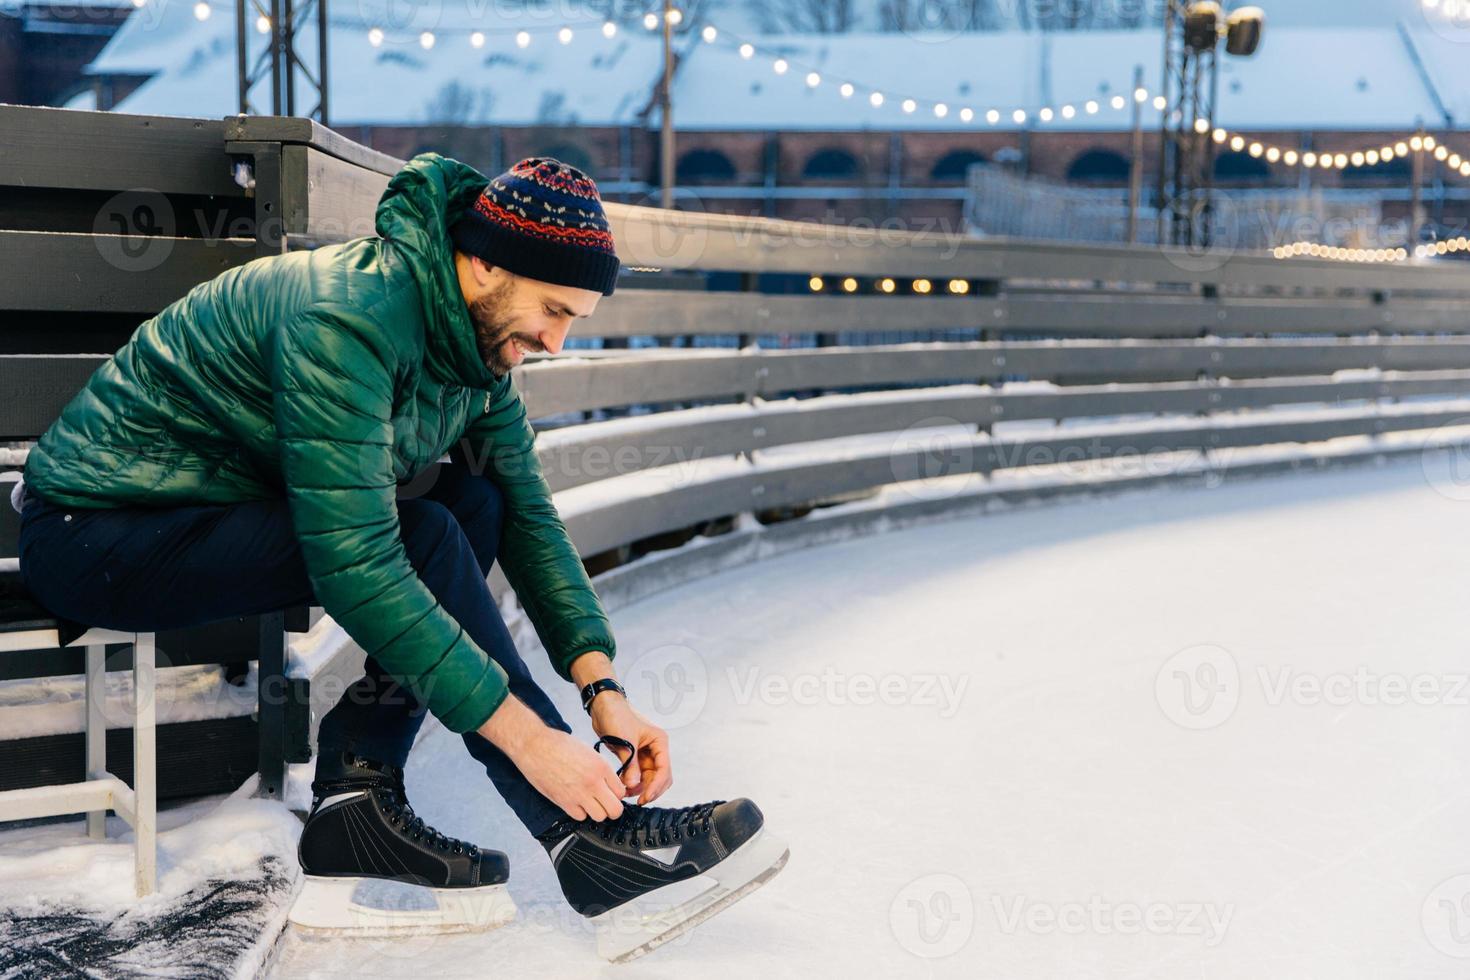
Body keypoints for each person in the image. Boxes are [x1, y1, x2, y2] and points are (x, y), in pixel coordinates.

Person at [13, 153, 787, 961]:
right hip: (97, 533)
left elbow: (525, 511)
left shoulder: (473, 343)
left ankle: (358, 796)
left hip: (209, 512)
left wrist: (603, 688)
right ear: (485, 263)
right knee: (422, 536)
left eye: (575, 320)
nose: (556, 341)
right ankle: (588, 840)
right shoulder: (347, 315)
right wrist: (531, 741)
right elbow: (358, 563)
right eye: (553, 310)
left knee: (474, 503)